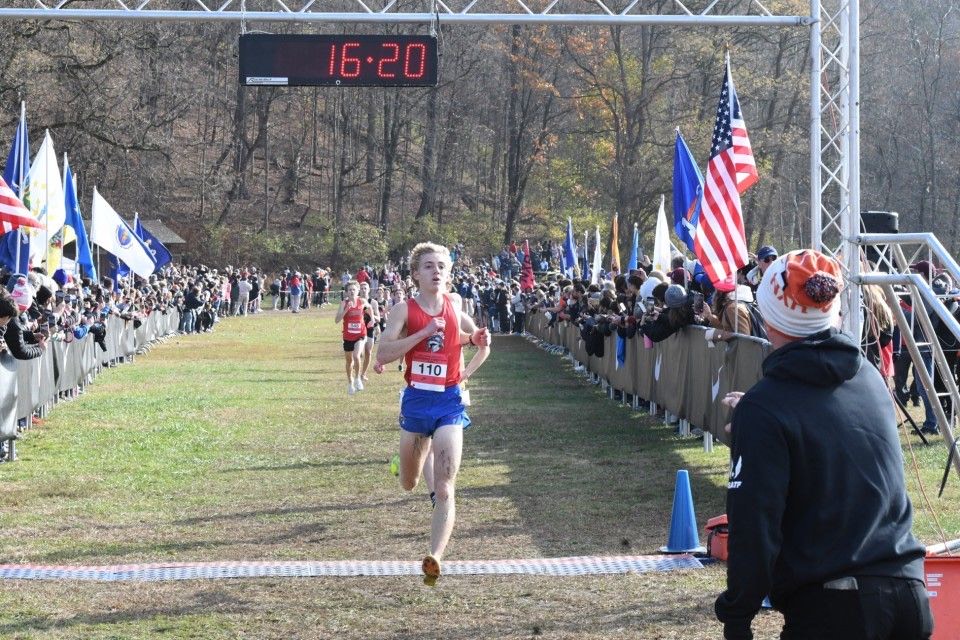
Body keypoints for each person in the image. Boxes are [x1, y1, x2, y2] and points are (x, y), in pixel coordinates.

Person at [715, 249, 931, 640]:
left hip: (836, 606)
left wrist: (737, 613)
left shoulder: (767, 406)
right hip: (908, 593)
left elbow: (754, 524)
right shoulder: (866, 376)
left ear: (766, 317)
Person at [374, 242, 490, 586]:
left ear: (449, 273)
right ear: (415, 273)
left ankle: (435, 556)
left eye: (441, 265)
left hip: (449, 403)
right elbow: (382, 353)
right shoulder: (403, 311)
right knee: (409, 483)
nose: (435, 271)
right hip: (416, 403)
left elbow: (471, 338)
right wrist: (423, 333)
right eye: (428, 266)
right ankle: (409, 463)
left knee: (445, 488)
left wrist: (475, 340)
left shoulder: (455, 303)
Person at [335, 281, 372, 395]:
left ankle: (358, 379)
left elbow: (370, 308)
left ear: (357, 291)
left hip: (361, 334)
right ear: (347, 292)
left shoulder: (362, 301)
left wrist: (372, 320)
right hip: (348, 336)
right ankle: (350, 382)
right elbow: (336, 320)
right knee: (349, 361)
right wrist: (346, 310)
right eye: (350, 290)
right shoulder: (344, 303)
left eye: (354, 290)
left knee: (356, 356)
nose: (352, 292)